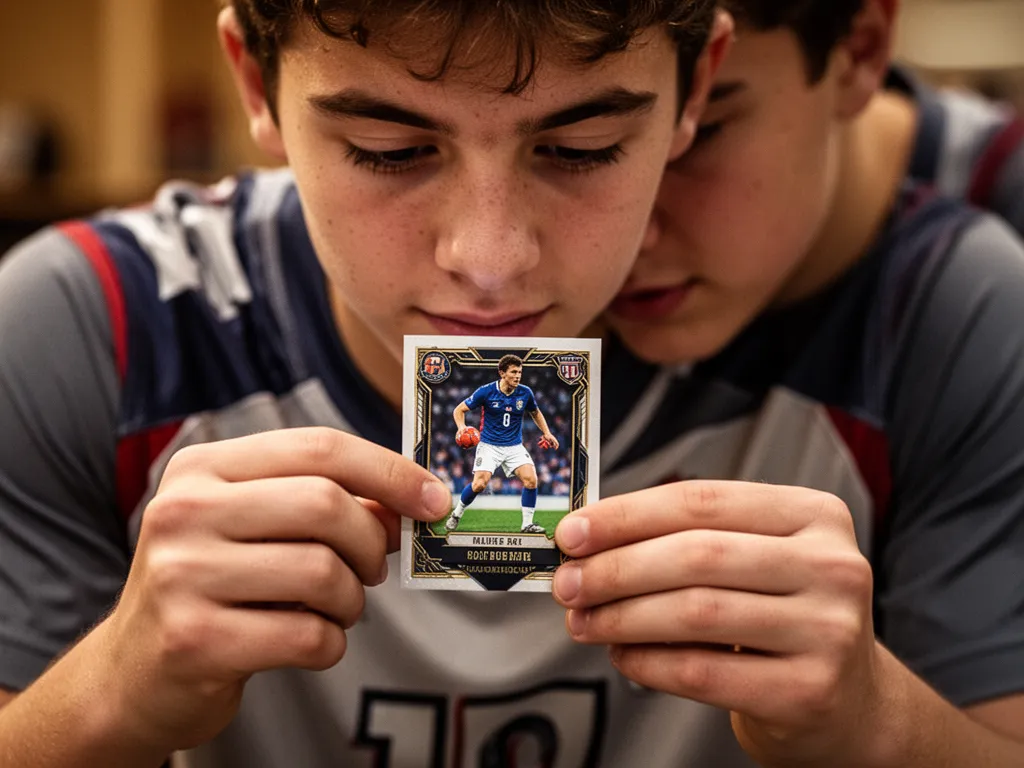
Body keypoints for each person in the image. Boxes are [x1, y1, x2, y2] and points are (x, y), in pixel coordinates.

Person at [0, 2, 739, 767]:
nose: (488, 260)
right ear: (257, 83)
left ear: (695, 88)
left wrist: (871, 725)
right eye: (388, 150)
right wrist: (109, 694)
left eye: (584, 148)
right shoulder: (91, 329)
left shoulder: (842, 329)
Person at [585, 0, 1024, 764]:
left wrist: (876, 720)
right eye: (583, 148)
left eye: (702, 133)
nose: (626, 234)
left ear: (858, 51)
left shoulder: (970, 292)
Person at [446, 354, 559, 534]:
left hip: (514, 446)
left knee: (531, 480)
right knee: (479, 485)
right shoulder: (486, 391)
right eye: (513, 372)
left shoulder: (525, 392)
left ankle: (527, 525)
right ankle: (457, 514)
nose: (517, 376)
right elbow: (459, 410)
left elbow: (535, 412)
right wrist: (461, 427)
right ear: (502, 373)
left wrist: (547, 432)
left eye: (520, 372)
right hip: (489, 445)